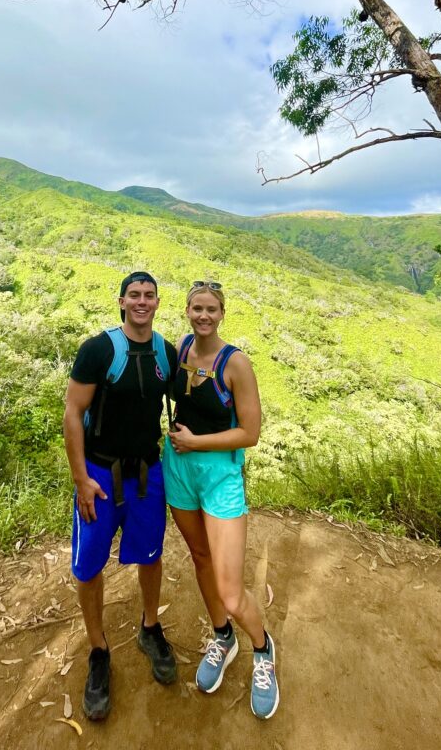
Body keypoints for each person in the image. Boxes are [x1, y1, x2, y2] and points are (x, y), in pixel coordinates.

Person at [162, 280, 280, 720]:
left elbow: (250, 433)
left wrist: (198, 443)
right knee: (200, 557)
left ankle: (262, 649)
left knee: (231, 592)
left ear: (222, 313)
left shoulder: (237, 364)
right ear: (187, 311)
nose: (203, 315)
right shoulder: (180, 349)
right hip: (178, 468)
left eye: (211, 309)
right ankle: (221, 637)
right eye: (197, 308)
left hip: (218, 475)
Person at [64, 270, 178, 722]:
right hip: (99, 474)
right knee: (89, 564)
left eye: (149, 295)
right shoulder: (98, 350)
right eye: (134, 295)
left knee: (150, 555)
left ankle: (150, 627)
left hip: (147, 474)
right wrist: (80, 478)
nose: (142, 302)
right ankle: (98, 651)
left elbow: (185, 404)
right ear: (121, 301)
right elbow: (73, 413)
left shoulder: (165, 353)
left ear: (156, 303)